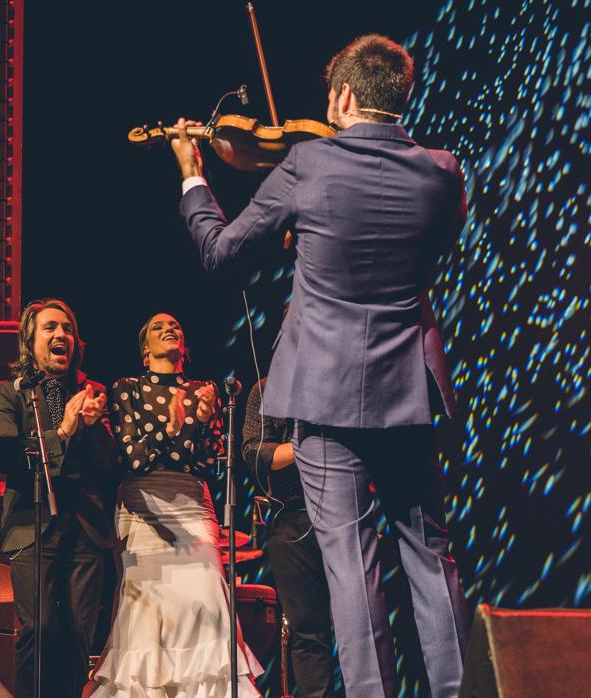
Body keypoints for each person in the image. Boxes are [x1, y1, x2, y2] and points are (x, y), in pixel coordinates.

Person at [169, 35, 471, 697]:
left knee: (351, 568)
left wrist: (194, 174)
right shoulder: (443, 172)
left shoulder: (308, 163)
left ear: (343, 97)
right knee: (430, 558)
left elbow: (221, 253)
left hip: (325, 396)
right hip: (409, 392)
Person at [86, 312, 262, 697]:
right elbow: (135, 459)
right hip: (142, 506)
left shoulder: (205, 390)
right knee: (145, 610)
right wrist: (177, 425)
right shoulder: (127, 388)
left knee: (207, 597)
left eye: (175, 326)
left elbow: (207, 461)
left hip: (193, 503)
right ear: (145, 351)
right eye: (158, 327)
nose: (169, 328)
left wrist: (195, 421)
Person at [0, 298, 118, 698]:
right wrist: (62, 432)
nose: (62, 334)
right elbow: (6, 455)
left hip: (85, 527)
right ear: (30, 340)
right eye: (50, 328)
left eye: (68, 329)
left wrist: (95, 427)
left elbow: (111, 466)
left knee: (79, 635)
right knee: (40, 628)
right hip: (32, 524)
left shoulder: (92, 393)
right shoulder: (11, 393)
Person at [242, 376, 335, 698]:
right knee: (308, 632)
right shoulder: (267, 388)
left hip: (343, 515)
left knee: (361, 622)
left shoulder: (339, 376)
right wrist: (306, 447)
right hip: (291, 518)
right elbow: (254, 453)